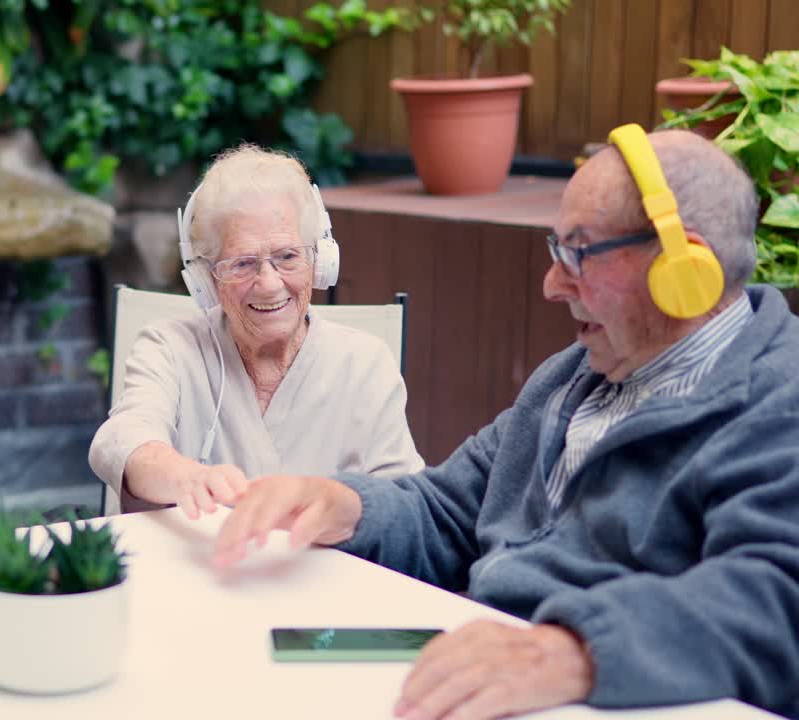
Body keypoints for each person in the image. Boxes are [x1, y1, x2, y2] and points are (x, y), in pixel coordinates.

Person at [214, 128, 799, 719]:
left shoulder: (780, 397)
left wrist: (571, 653)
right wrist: (347, 506)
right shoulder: (572, 377)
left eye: (578, 253)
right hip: (483, 680)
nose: (551, 284)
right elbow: (448, 511)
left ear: (683, 268)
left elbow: (774, 601)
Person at [89, 144, 423, 518]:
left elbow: (403, 504)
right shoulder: (169, 346)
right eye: (243, 263)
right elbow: (122, 441)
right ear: (205, 278)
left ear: (320, 261)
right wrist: (186, 478)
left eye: (287, 256)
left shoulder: (365, 362)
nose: (268, 284)